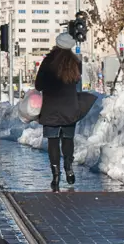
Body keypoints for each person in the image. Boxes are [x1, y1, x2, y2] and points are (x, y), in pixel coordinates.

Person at [34, 33, 97, 192]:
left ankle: (55, 175)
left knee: (53, 142)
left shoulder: (48, 62)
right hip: (70, 107)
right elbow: (78, 84)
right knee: (68, 140)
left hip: (51, 109)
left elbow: (39, 85)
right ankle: (68, 167)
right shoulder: (76, 62)